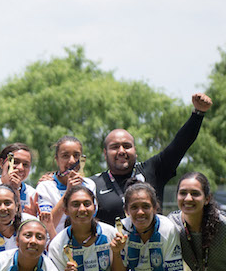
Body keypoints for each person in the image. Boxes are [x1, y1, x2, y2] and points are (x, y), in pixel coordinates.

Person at [91, 93, 213, 225]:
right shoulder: (93, 184)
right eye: (115, 147)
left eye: (127, 146)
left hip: (154, 244)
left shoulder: (153, 170)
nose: (121, 151)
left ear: (135, 151)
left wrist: (198, 114)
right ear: (105, 153)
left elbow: (179, 145)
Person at [36, 136, 96, 235]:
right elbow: (46, 226)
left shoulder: (89, 185)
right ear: (57, 159)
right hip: (55, 246)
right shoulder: (45, 187)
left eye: (76, 155)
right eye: (65, 156)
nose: (72, 161)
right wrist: (68, 192)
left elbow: (90, 220)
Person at [0, 143, 38, 213]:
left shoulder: (32, 195)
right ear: (1, 163)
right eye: (15, 162)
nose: (20, 168)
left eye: (25, 164)